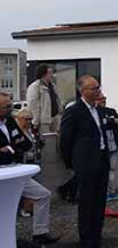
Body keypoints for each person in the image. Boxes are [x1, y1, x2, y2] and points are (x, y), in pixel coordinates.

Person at [1, 93, 59, 246]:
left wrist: (10, 148)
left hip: (15, 170)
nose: (10, 109)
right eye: (6, 107)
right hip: (2, 174)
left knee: (42, 195)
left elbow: (24, 143)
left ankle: (40, 233)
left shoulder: (10, 122)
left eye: (10, 105)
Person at [60, 76, 109, 248]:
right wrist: (72, 163)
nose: (98, 90)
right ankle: (87, 239)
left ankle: (97, 235)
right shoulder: (74, 111)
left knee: (100, 201)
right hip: (85, 164)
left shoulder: (100, 110)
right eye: (93, 88)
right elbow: (65, 140)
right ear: (83, 91)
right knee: (87, 202)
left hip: (102, 160)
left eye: (98, 87)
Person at [97, 93, 118, 202]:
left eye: (104, 98)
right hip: (102, 146)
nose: (103, 100)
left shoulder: (110, 110)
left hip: (113, 144)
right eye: (101, 99)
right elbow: (100, 124)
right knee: (103, 170)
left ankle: (111, 191)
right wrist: (110, 121)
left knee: (111, 169)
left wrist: (110, 121)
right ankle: (104, 193)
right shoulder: (95, 112)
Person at [27, 64, 64, 134]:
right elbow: (33, 105)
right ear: (43, 74)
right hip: (44, 121)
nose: (52, 75)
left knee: (55, 140)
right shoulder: (35, 87)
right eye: (49, 73)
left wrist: (60, 111)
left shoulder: (52, 86)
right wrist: (35, 121)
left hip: (55, 117)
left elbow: (57, 100)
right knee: (46, 141)